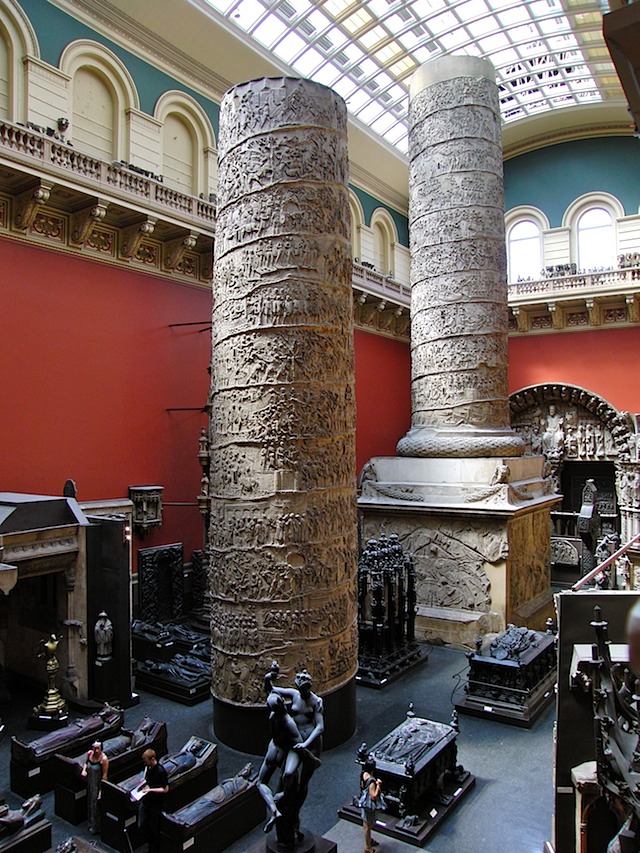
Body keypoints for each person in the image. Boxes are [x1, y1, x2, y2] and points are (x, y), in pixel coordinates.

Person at [136, 748, 169, 853]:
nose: (145, 763)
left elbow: (165, 789)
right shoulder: (148, 768)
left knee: (154, 830)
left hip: (156, 804)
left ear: (152, 759)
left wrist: (150, 790)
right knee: (141, 825)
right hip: (146, 801)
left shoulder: (160, 771)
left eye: (146, 760)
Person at [81, 740, 109, 834]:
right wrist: (84, 770)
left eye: (98, 748)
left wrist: (101, 791)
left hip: (97, 785)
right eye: (95, 748)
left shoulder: (104, 759)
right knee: (89, 803)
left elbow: (104, 776)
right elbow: (85, 763)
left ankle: (96, 827)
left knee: (95, 805)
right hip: (90, 783)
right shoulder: (89, 754)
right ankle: (90, 823)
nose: (96, 750)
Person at [359, 757, 383, 853]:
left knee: (365, 824)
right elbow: (373, 796)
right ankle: (368, 847)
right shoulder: (372, 781)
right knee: (368, 825)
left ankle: (368, 840)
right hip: (369, 805)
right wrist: (378, 786)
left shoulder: (363, 774)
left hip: (364, 803)